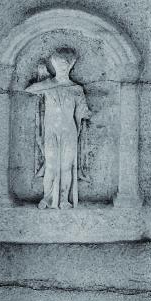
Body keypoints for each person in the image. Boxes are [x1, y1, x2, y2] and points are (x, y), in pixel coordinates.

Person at [26, 49, 90, 210]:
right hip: (51, 132)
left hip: (69, 131)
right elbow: (29, 89)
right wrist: (45, 79)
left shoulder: (76, 89)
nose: (63, 67)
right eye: (59, 64)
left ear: (71, 66)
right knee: (51, 166)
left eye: (66, 64)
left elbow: (84, 111)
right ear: (54, 65)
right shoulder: (48, 86)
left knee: (66, 167)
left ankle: (63, 199)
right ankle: (47, 198)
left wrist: (86, 112)